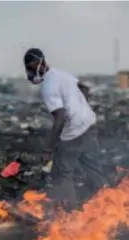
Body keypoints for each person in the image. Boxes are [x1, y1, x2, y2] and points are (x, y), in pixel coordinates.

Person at [23, 48, 108, 209]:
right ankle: (107, 206)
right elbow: (84, 88)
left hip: (74, 130)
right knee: (93, 167)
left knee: (62, 172)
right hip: (89, 123)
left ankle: (69, 214)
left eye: (29, 67)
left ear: (36, 64)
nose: (29, 72)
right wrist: (80, 107)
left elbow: (60, 118)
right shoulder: (61, 74)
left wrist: (48, 149)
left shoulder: (48, 86)